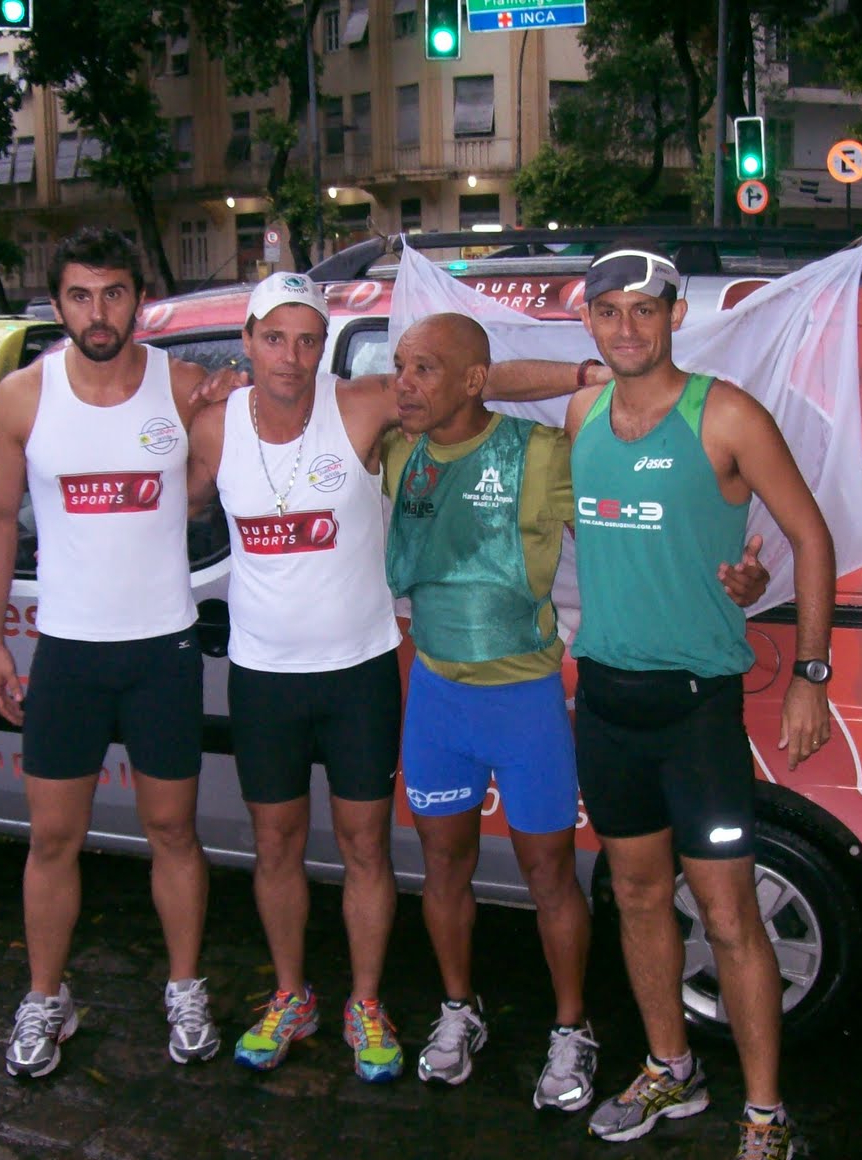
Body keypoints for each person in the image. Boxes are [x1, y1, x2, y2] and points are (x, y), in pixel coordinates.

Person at [184, 273, 598, 1084]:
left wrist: (587, 372)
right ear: (248, 339)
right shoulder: (214, 424)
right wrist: (201, 389)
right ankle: (295, 994)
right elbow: (173, 485)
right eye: (275, 338)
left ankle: (368, 1001)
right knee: (279, 845)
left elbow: (479, 380)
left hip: (362, 669)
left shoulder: (365, 405)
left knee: (371, 849)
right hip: (262, 671)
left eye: (308, 339)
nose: (292, 356)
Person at [382, 312, 768, 1110]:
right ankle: (458, 1008)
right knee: (442, 866)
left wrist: (590, 375)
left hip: (525, 698)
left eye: (424, 369)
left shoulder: (543, 452)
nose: (403, 383)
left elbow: (643, 510)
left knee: (551, 875)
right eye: (400, 366)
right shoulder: (393, 448)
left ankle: (571, 1025)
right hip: (437, 699)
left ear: (473, 379)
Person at [566, 246, 835, 1160]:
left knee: (728, 915)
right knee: (638, 897)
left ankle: (765, 1117)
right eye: (610, 310)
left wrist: (810, 674)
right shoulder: (582, 413)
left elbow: (810, 534)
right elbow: (483, 376)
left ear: (676, 315)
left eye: (646, 309)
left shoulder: (724, 414)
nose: (628, 326)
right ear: (589, 320)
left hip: (695, 712)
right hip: (606, 699)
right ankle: (670, 1068)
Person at [0, 228, 229, 1079]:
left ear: (139, 300)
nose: (98, 311)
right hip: (69, 653)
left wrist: (221, 412)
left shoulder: (182, 387)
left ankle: (184, 987)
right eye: (81, 295)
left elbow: (208, 490)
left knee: (173, 830)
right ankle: (47, 995)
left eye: (114, 292)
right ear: (57, 305)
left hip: (162, 648)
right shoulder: (23, 396)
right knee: (53, 837)